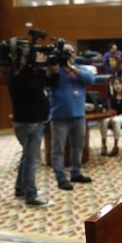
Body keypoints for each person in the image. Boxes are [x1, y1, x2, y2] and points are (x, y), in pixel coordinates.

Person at [48, 43, 95, 190]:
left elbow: (90, 80)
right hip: (59, 117)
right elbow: (48, 80)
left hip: (78, 116)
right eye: (67, 52)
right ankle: (61, 178)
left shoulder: (80, 69)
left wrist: (72, 69)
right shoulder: (55, 71)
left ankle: (76, 173)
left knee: (77, 147)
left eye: (72, 52)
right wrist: (56, 68)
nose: (71, 55)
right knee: (58, 149)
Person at [8, 52, 52, 206]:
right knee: (33, 160)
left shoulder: (20, 73)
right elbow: (35, 88)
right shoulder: (19, 75)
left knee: (27, 156)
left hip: (33, 121)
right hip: (29, 122)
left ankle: (21, 188)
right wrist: (40, 68)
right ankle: (31, 195)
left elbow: (48, 82)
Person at [101, 77, 122, 156]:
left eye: (119, 83)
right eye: (115, 84)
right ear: (113, 86)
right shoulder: (113, 97)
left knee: (116, 120)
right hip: (115, 118)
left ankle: (115, 146)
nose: (117, 86)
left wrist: (117, 117)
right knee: (104, 120)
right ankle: (104, 145)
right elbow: (112, 110)